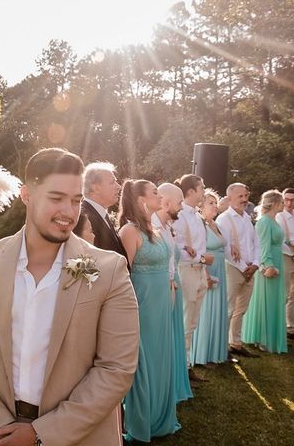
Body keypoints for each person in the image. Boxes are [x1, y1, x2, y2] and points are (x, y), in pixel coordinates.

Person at [0, 148, 139, 446]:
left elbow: (116, 367)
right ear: (26, 195)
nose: (69, 212)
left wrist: (42, 434)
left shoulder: (110, 269)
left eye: (76, 201)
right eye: (56, 198)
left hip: (78, 437)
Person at [119, 179, 180, 442]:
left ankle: (160, 417)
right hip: (142, 306)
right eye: (155, 192)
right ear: (141, 200)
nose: (160, 196)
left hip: (162, 306)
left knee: (160, 358)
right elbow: (123, 275)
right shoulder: (129, 231)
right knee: (142, 363)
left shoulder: (154, 229)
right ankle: (140, 421)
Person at [152, 182, 192, 403]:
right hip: (164, 286)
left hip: (173, 282)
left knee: (174, 335)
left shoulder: (167, 226)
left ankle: (173, 384)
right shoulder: (153, 225)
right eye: (178, 204)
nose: (181, 208)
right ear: (166, 203)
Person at [172, 174, 213, 380]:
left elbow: (196, 247)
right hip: (186, 271)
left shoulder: (197, 215)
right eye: (201, 187)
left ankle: (185, 364)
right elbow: (179, 247)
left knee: (193, 322)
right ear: (191, 191)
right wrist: (202, 259)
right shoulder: (180, 215)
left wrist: (203, 267)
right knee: (185, 322)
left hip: (199, 272)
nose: (204, 191)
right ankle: (181, 368)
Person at [216, 183, 261, 358]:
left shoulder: (247, 218)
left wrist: (256, 264)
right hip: (234, 269)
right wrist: (244, 268)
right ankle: (222, 347)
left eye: (246, 196)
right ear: (230, 198)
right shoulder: (224, 219)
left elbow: (256, 243)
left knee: (241, 308)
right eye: (240, 196)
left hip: (251, 268)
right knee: (228, 309)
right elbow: (226, 249)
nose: (244, 199)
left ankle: (236, 343)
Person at [241, 190, 288, 353]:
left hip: (278, 260)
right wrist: (268, 266)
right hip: (270, 264)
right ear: (274, 203)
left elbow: (278, 243)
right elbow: (263, 246)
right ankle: (263, 338)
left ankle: (271, 336)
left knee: (275, 300)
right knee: (266, 300)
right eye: (282, 202)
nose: (284, 205)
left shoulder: (274, 221)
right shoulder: (264, 222)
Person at [191, 190, 229, 365]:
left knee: (218, 308)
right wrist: (205, 273)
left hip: (221, 268)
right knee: (206, 310)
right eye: (210, 203)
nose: (215, 206)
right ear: (201, 206)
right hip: (208, 269)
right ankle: (201, 354)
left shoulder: (215, 224)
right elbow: (199, 250)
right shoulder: (200, 225)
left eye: (216, 202)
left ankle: (215, 351)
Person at [73, 162, 127, 258]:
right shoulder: (83, 217)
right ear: (96, 187)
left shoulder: (101, 214)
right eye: (112, 182)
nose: (119, 187)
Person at [275, 187, 294, 339]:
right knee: (285, 292)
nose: (289, 203)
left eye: (292, 200)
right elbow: (280, 241)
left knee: (293, 295)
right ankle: (280, 326)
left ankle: (290, 326)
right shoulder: (279, 216)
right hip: (286, 257)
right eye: (286, 199)